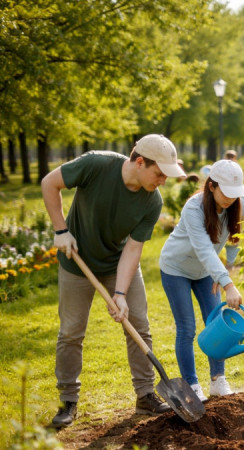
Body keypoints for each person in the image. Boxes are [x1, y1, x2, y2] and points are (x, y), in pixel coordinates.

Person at [41, 134, 186, 428]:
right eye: (159, 174)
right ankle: (68, 399)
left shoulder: (152, 201)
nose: (162, 182)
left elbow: (133, 248)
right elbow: (49, 183)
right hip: (76, 261)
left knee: (140, 327)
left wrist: (120, 293)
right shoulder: (96, 164)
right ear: (140, 162)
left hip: (119, 263)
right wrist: (60, 230)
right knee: (71, 332)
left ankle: (145, 395)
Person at [159, 159, 244, 402]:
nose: (231, 199)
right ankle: (192, 385)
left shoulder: (240, 203)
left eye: (235, 194)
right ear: (211, 186)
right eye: (226, 193)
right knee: (187, 328)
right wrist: (226, 283)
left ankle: (218, 380)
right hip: (176, 268)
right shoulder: (193, 209)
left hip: (206, 272)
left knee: (218, 325)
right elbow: (204, 249)